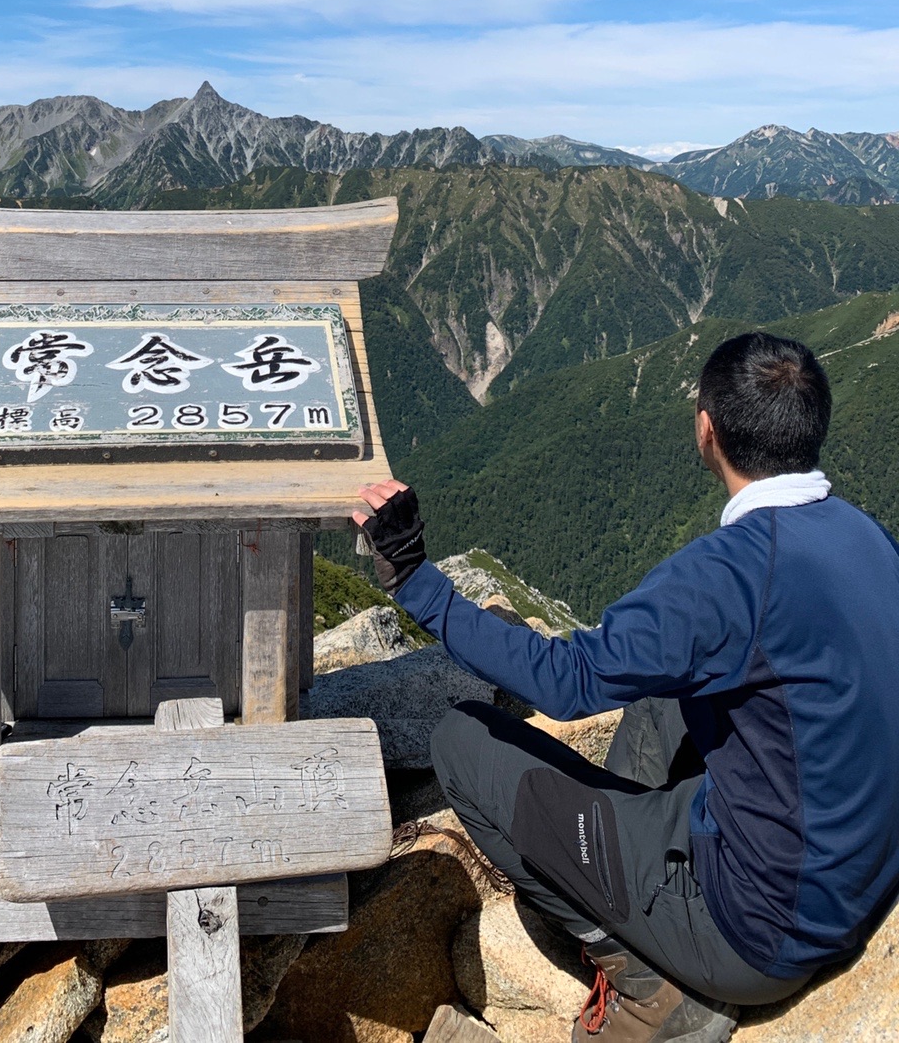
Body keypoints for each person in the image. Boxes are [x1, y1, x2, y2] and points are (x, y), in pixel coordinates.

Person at [354, 332, 899, 1043]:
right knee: (669, 687)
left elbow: (566, 681)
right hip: (850, 875)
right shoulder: (868, 537)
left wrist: (416, 580)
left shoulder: (726, 574)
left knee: (460, 740)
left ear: (707, 429)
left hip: (756, 932)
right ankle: (629, 867)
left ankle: (652, 985)